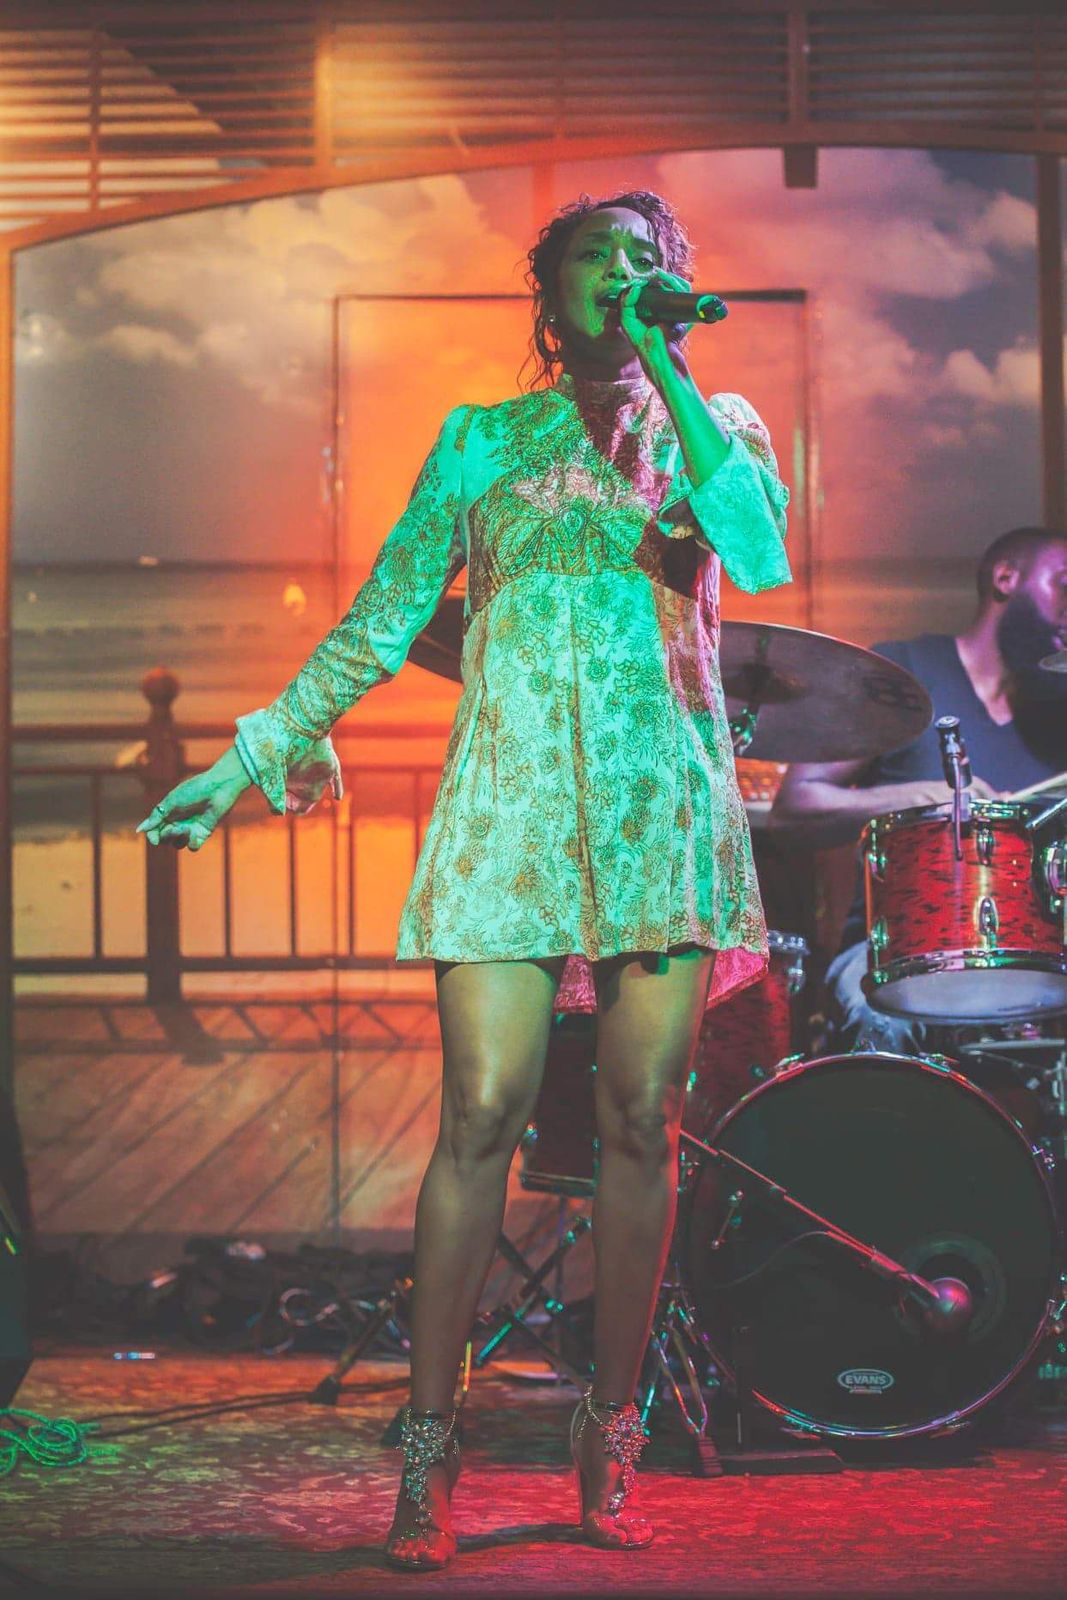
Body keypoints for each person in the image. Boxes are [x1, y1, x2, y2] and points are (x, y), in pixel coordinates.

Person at [138, 190, 790, 1568]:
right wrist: (251, 753)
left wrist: (670, 371)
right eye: (594, 259)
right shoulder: (478, 439)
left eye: (645, 260)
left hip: (656, 804)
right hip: (507, 802)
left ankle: (609, 1428)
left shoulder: (713, 425)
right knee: (482, 1109)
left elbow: (754, 549)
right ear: (546, 298)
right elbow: (382, 616)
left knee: (640, 1121)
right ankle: (428, 1448)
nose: (620, 274)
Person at [772, 526, 1067, 1053]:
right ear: (1006, 578)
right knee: (882, 1017)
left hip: (1029, 959)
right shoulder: (902, 677)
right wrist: (922, 797)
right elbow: (796, 804)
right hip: (892, 955)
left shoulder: (1054, 721)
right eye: (1063, 585)